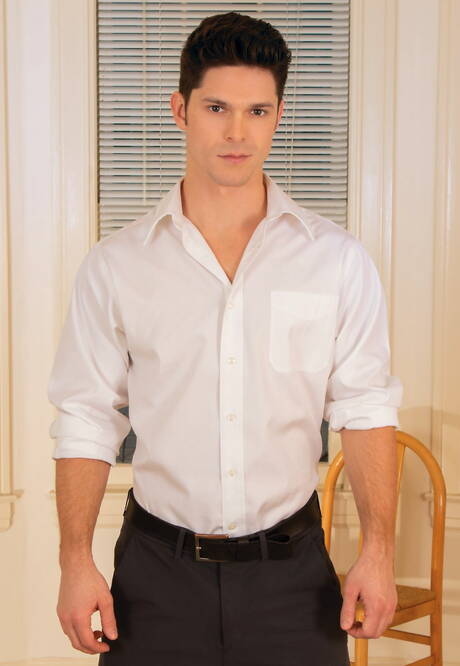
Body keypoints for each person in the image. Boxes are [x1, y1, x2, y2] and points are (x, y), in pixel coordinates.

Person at [47, 11, 403, 666]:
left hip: (293, 577)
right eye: (217, 108)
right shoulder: (116, 265)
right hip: (156, 576)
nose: (238, 132)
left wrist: (378, 553)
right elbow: (86, 418)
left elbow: (365, 408)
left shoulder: (337, 261)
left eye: (257, 111)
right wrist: (75, 561)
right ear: (180, 110)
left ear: (278, 115)